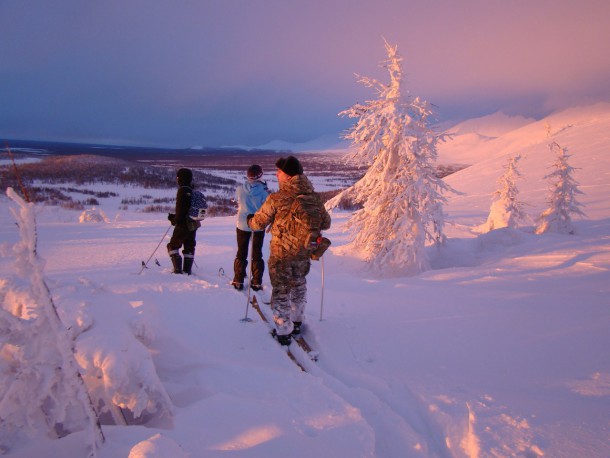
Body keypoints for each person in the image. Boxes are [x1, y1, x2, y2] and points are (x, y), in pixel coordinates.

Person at [247, 156, 331, 345]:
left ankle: (283, 330)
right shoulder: (314, 198)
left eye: (279, 171)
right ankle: (297, 321)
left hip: (281, 255)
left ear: (288, 175)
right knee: (299, 284)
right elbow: (326, 223)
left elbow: (258, 223)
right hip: (304, 253)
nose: (276, 174)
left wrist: (249, 220)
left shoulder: (277, 199)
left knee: (282, 290)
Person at [232, 164, 269, 291]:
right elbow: (267, 209)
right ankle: (256, 282)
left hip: (242, 224)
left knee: (241, 252)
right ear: (260, 176)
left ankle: (238, 280)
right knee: (257, 253)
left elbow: (236, 200)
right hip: (258, 225)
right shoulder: (264, 193)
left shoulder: (240, 189)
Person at [167, 167, 201, 275]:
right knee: (189, 247)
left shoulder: (182, 191)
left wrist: (174, 220)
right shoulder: (192, 190)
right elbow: (187, 209)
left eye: (178, 177)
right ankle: (187, 270)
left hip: (183, 225)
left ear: (180, 178)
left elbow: (181, 210)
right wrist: (176, 217)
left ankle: (178, 271)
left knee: (173, 246)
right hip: (193, 224)